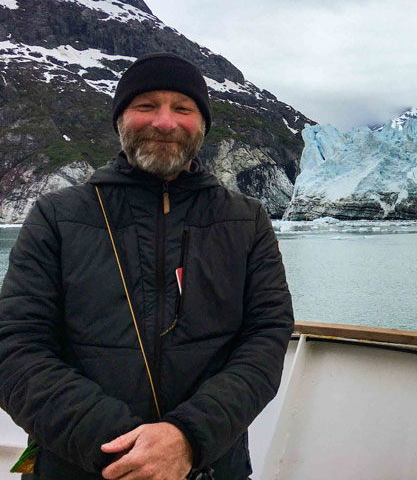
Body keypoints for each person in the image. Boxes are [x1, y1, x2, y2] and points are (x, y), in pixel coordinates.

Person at [0, 52, 294, 479]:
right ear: (120, 118)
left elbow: (266, 339)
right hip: (82, 465)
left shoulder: (246, 221)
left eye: (182, 108)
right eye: (145, 106)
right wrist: (127, 450)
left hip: (207, 466)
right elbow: (16, 347)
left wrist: (187, 439)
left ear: (202, 123)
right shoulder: (56, 217)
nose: (164, 122)